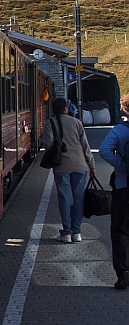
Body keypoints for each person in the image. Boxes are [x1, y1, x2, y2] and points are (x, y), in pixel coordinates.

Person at [41, 96, 96, 244]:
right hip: (80, 165)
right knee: (79, 198)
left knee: (64, 198)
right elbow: (85, 146)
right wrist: (92, 165)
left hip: (61, 166)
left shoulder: (50, 123)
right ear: (66, 108)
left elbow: (47, 144)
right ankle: (77, 231)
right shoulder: (76, 122)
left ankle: (66, 232)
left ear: (53, 110)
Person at [98, 92, 129, 289]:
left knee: (120, 230)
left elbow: (104, 151)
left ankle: (124, 272)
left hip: (123, 187)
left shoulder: (120, 130)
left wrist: (122, 166)